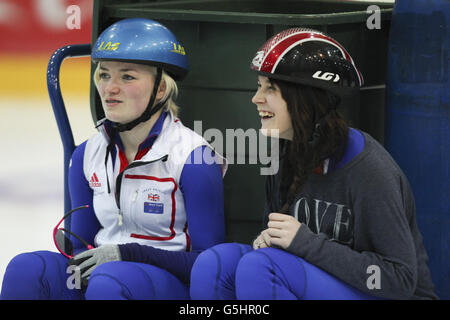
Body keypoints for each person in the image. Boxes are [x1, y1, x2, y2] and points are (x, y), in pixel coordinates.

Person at [189, 28, 438, 300]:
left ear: (306, 99)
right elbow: (282, 243)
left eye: (270, 88)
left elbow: (399, 280)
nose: (256, 98)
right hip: (322, 281)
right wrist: (269, 239)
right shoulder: (285, 152)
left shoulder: (369, 169)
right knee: (213, 264)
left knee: (261, 267)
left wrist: (305, 243)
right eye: (259, 86)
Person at [1, 18, 226, 300]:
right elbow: (80, 246)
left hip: (170, 283)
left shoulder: (193, 157)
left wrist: (125, 254)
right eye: (104, 75)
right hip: (104, 281)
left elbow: (210, 265)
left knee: (110, 281)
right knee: (27, 269)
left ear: (160, 89)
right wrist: (82, 258)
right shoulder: (87, 154)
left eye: (127, 77)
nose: (110, 88)